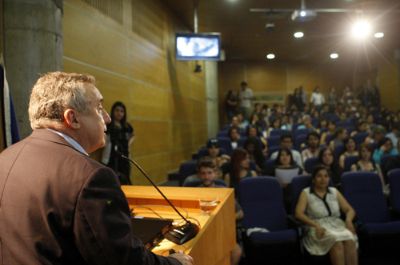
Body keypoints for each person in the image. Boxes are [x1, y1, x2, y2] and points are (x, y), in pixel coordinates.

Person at [0, 72, 193, 265]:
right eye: (99, 108)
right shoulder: (91, 176)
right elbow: (122, 260)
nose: (107, 118)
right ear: (72, 119)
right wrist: (175, 262)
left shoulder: (5, 158)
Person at [295, 165, 358, 265]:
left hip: (337, 224)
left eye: (326, 176)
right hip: (317, 226)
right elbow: (298, 214)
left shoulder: (334, 191)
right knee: (336, 241)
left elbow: (349, 210)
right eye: (319, 176)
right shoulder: (306, 192)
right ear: (313, 179)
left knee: (350, 239)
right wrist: (315, 225)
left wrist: (348, 220)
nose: (323, 179)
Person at [195, 158, 243, 265]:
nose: (206, 176)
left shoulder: (223, 191)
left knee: (237, 252)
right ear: (199, 175)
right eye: (203, 173)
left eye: (209, 173)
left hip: (222, 231)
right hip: (201, 233)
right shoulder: (194, 192)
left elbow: (240, 213)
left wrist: (222, 220)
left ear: (215, 174)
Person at [102, 101, 134, 185]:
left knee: (126, 179)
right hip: (111, 157)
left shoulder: (126, 126)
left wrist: (129, 145)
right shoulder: (108, 125)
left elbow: (133, 135)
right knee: (113, 181)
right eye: (117, 110)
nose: (119, 113)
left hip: (125, 156)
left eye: (122, 111)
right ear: (113, 111)